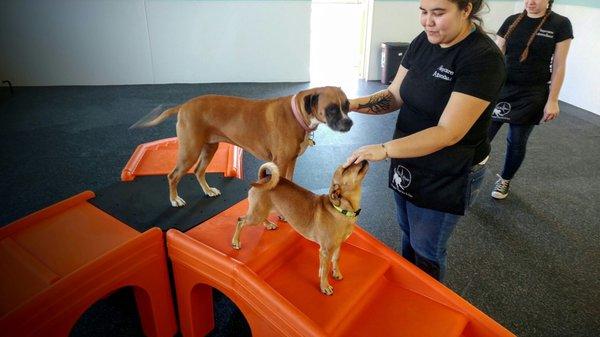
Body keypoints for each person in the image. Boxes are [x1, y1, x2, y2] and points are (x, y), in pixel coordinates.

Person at [343, 0, 505, 281]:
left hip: (449, 169)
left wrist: (383, 149)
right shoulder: (423, 41)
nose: (427, 21)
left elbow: (448, 132)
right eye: (423, 11)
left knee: (427, 250)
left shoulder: (482, 58)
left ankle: (428, 310)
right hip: (410, 157)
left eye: (438, 13)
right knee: (408, 234)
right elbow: (393, 95)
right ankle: (408, 291)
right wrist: (348, 105)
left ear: (466, 9)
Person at [489, 0, 573, 199]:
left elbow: (560, 66)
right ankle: (469, 172)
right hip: (503, 88)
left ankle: (505, 180)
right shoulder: (512, 20)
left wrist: (553, 100)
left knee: (516, 141)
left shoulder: (560, 24)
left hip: (532, 93)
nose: (530, 1)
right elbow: (495, 55)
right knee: (482, 135)